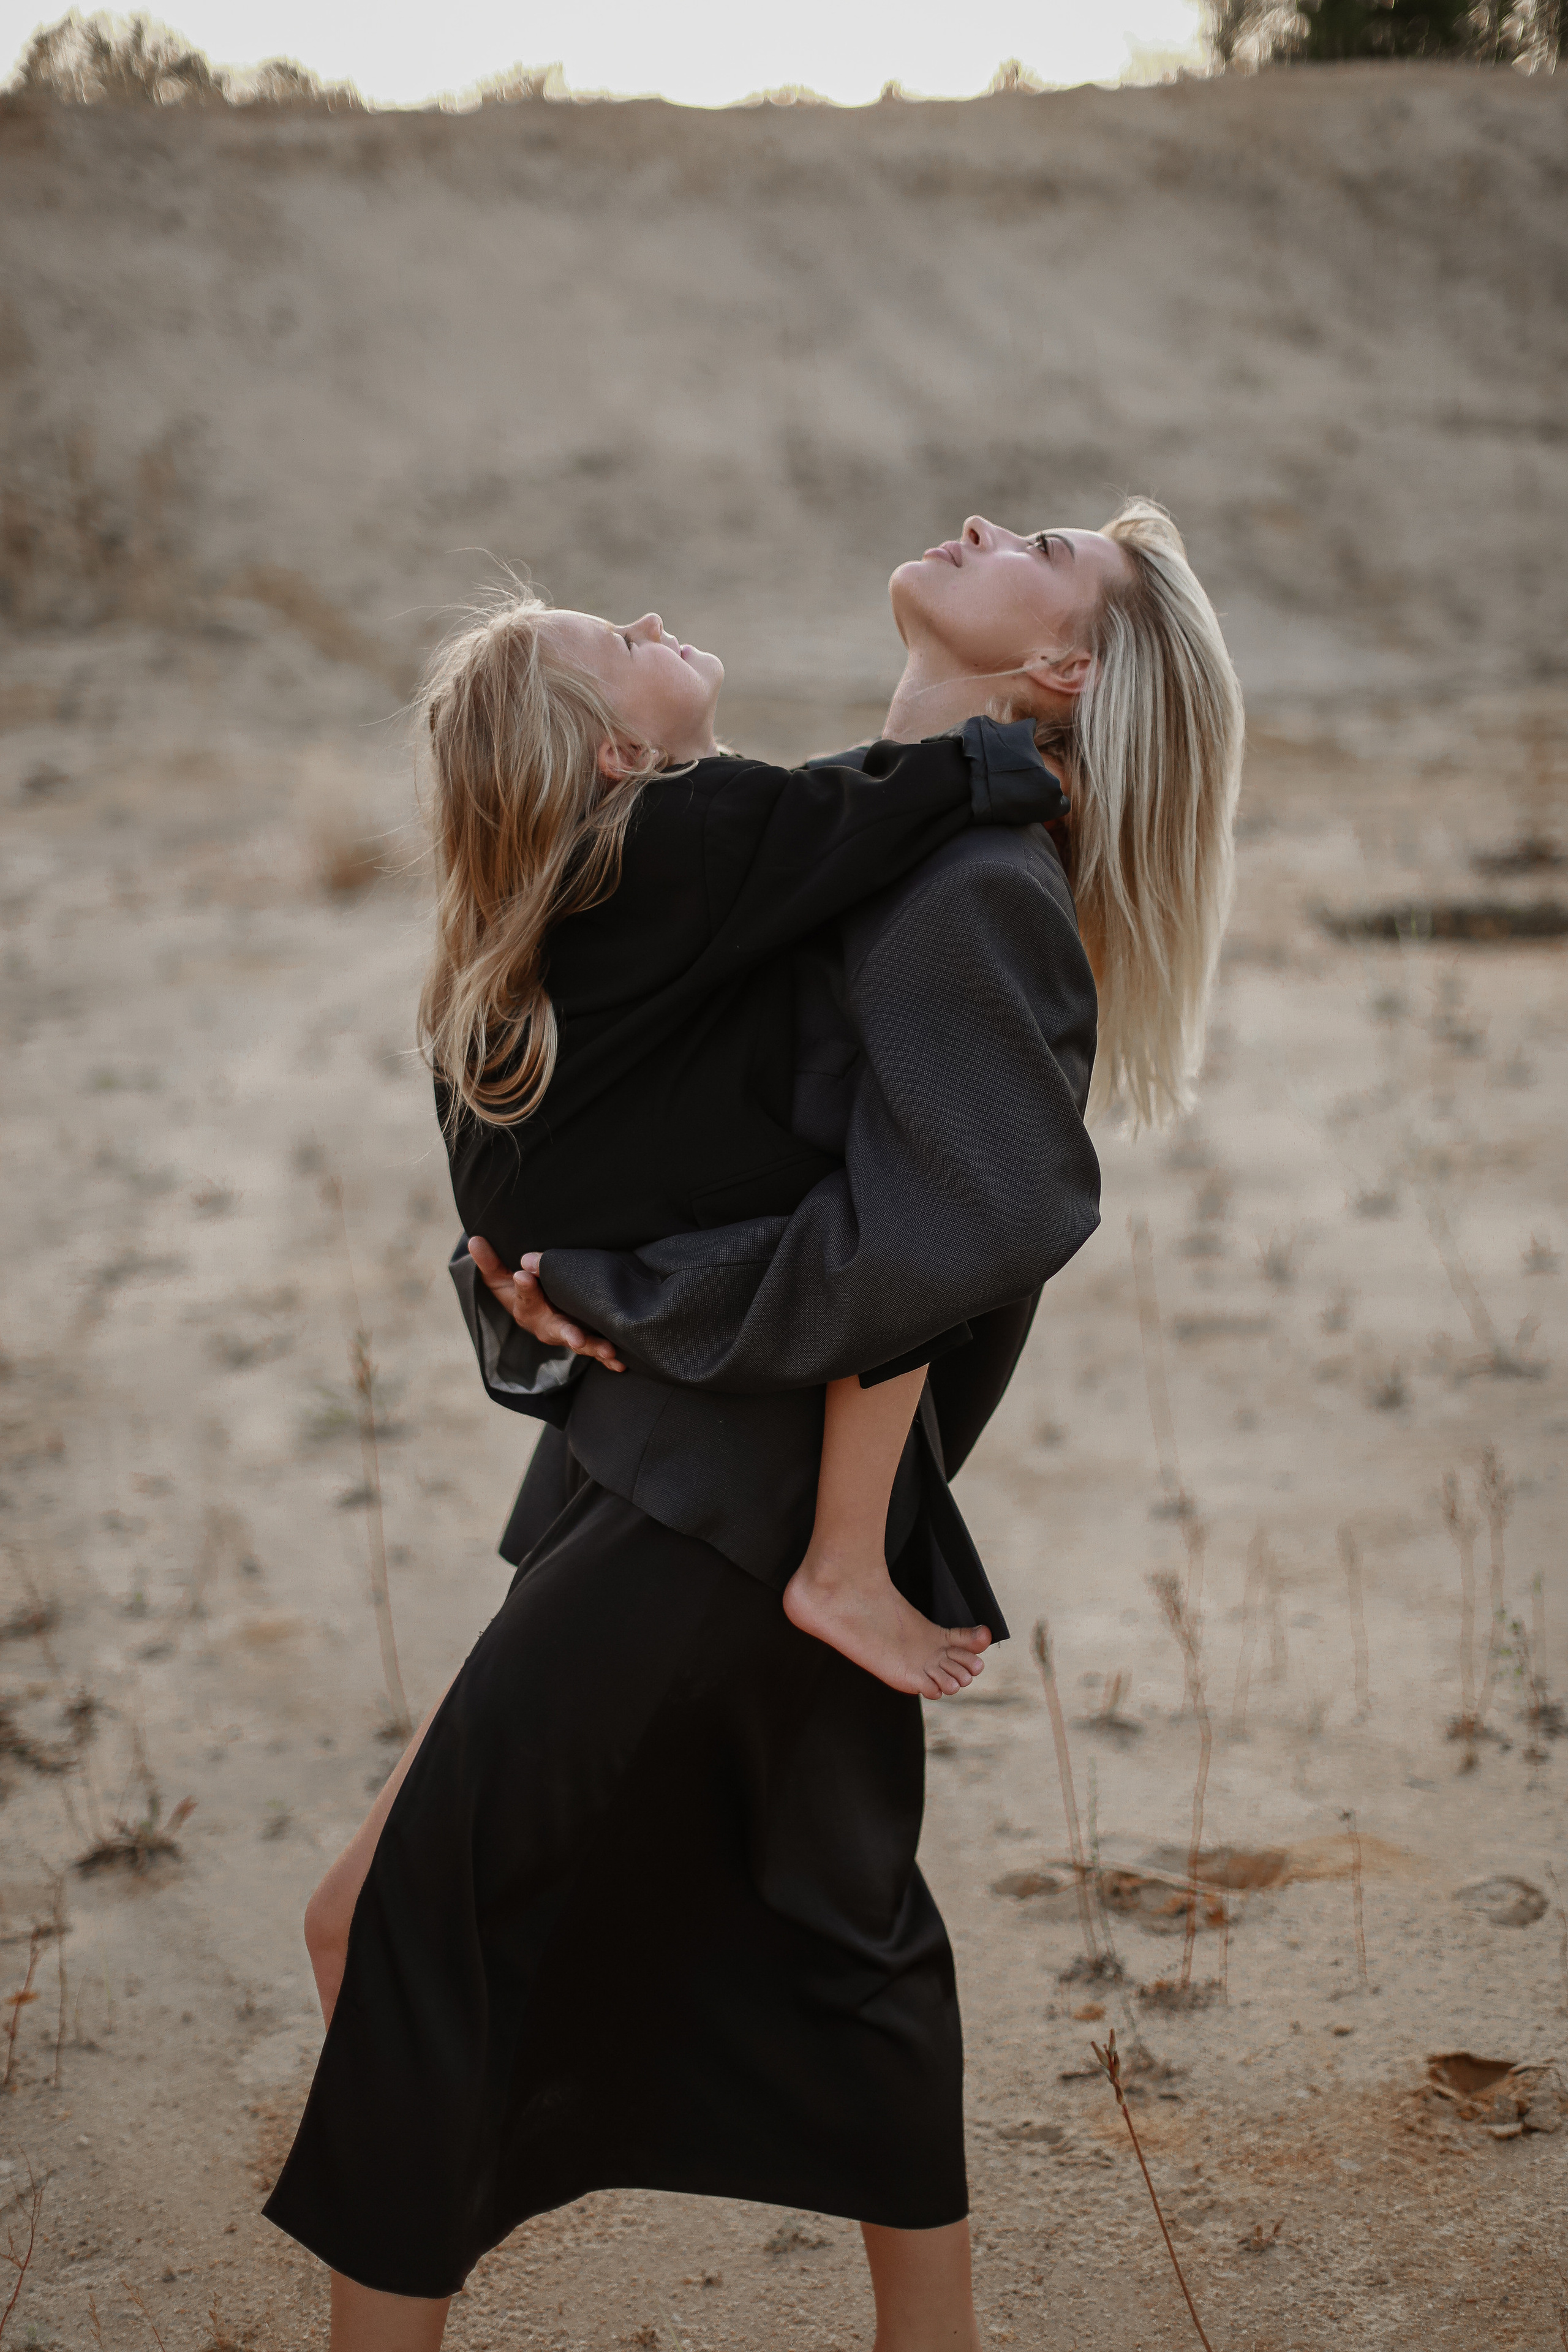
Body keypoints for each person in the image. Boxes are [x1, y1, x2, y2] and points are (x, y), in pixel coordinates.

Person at [265, 499, 1243, 2352]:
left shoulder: (966, 886)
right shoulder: (845, 832)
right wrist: (537, 1283)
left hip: (735, 1503)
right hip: (669, 1473)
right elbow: (654, 1133)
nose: (980, 519)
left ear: (1063, 672)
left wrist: (803, 1495)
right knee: (818, 1916)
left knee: (413, 1930)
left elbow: (959, 1229)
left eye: (1040, 541)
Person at [422, 591, 1074, 1696]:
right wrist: (1023, 771)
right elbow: (888, 798)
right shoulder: (696, 824)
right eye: (625, 643)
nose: (650, 615)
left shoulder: (597, 862)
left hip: (537, 1202)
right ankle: (845, 1566)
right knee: (905, 1186)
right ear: (620, 751)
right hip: (593, 1199)